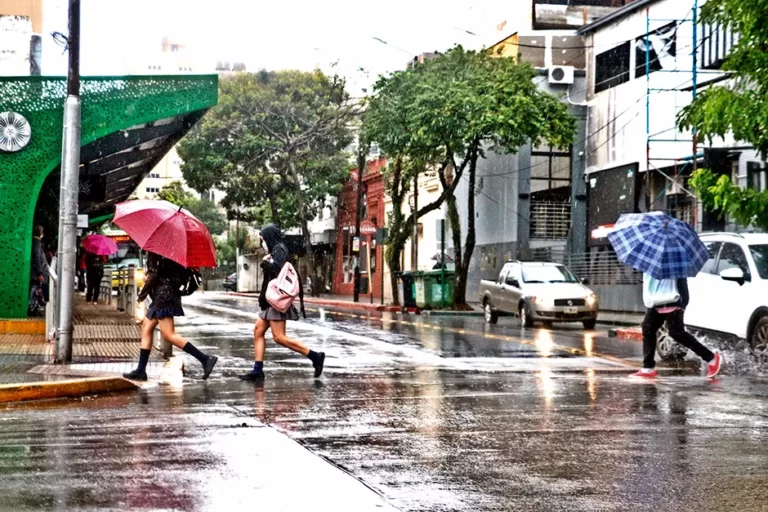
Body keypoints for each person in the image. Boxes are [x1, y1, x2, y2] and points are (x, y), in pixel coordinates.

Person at [241, 224, 325, 382]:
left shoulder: (279, 249)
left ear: (269, 237)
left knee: (279, 337)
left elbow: (276, 269)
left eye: (263, 239)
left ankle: (315, 356)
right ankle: (257, 370)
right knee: (258, 331)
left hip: (275, 300)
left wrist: (266, 264)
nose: (262, 242)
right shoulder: (275, 250)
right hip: (269, 301)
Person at [123, 252, 217, 381]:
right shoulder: (172, 250)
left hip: (164, 297)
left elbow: (154, 275)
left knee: (168, 334)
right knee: (146, 328)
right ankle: (141, 370)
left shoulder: (156, 250)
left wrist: (141, 296)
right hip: (165, 295)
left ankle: (205, 359)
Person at [632, 274, 722, 379]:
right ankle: (648, 368)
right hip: (655, 301)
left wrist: (682, 304)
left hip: (673, 301)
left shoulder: (674, 262)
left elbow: (682, 282)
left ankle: (712, 359)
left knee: (676, 333)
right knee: (648, 330)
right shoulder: (652, 263)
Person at [29, 225, 50, 316]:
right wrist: (40, 273)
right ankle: (31, 308)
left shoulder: (36, 242)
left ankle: (33, 307)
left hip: (36, 272)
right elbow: (37, 258)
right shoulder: (36, 242)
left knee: (36, 290)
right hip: (36, 273)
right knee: (34, 291)